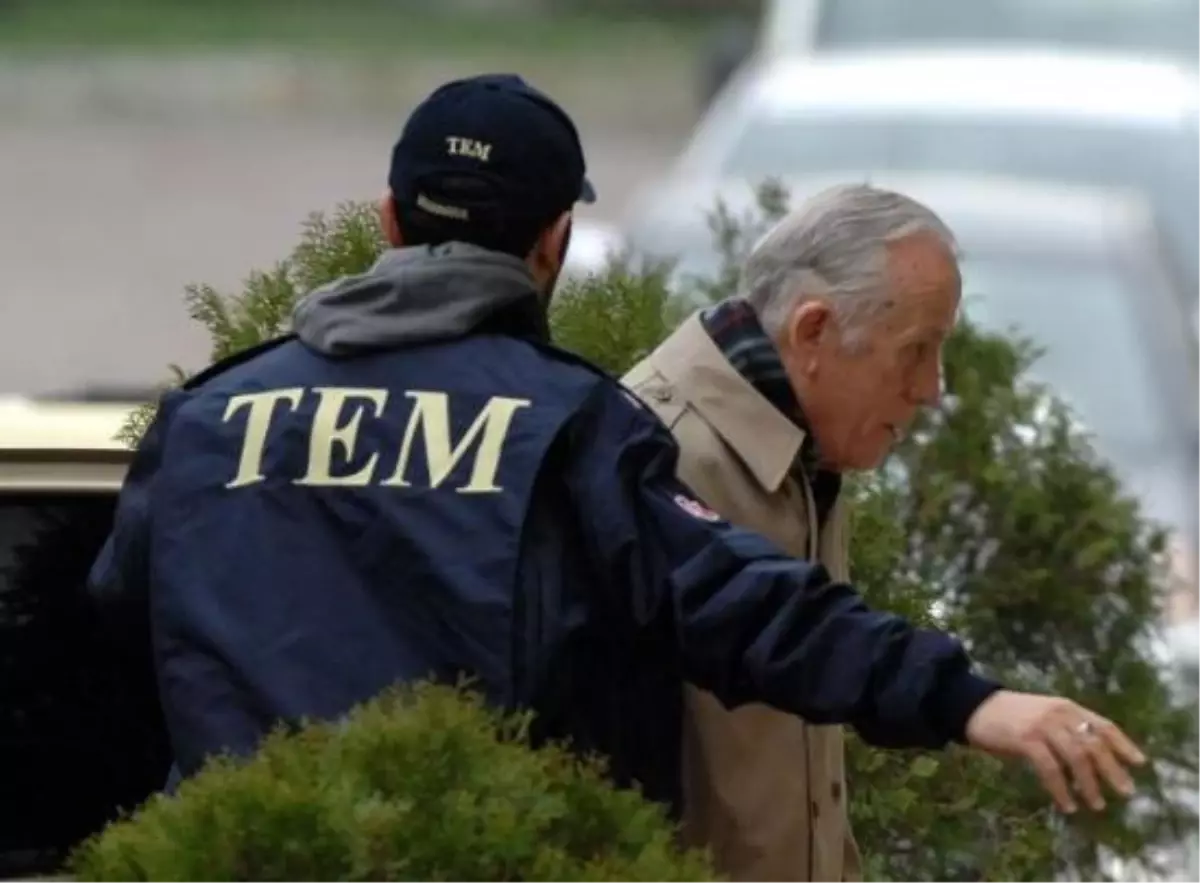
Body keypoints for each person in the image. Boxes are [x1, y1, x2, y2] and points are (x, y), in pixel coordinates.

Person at [88, 75, 1145, 822]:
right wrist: (968, 699)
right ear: (553, 244)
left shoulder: (213, 417)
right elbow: (744, 604)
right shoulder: (568, 426)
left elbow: (111, 645)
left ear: (389, 222)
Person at [621, 183, 1141, 881]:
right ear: (812, 332)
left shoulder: (800, 447)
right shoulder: (657, 455)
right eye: (916, 349)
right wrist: (971, 702)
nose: (933, 386)